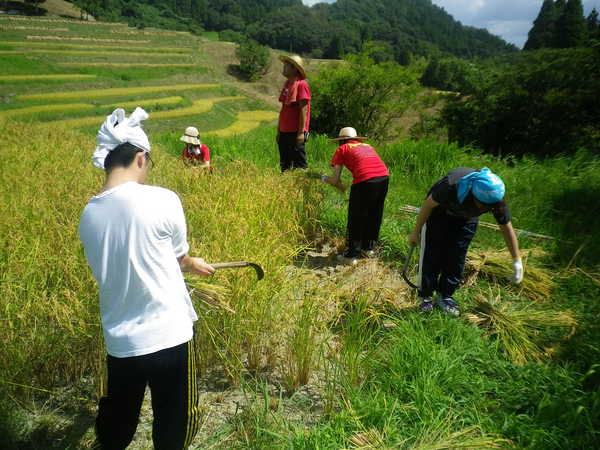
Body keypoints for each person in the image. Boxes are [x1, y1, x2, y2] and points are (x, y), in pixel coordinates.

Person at [79, 107, 215, 450]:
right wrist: (188, 262)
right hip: (169, 334)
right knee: (174, 421)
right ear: (141, 157)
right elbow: (175, 255)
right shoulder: (163, 198)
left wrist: (188, 264)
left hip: (121, 340)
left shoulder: (89, 214)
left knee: (118, 422)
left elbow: (129, 261)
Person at [408, 167, 524, 316]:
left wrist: (516, 260)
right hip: (439, 215)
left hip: (466, 220)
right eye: (483, 205)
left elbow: (507, 228)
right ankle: (426, 296)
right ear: (473, 194)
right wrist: (415, 232)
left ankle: (445, 296)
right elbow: (427, 206)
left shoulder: (494, 199)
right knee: (432, 254)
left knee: (457, 258)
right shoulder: (450, 187)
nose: (487, 209)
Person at [321, 127, 389, 264]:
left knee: (356, 217)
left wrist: (321, 177)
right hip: (383, 177)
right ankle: (367, 249)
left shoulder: (343, 149)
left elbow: (334, 180)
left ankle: (351, 256)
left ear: (342, 141)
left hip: (365, 181)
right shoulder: (367, 146)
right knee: (374, 214)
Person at [277, 54, 311, 172]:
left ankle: (303, 187)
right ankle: (287, 187)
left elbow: (304, 110)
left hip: (295, 132)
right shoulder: (287, 84)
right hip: (284, 131)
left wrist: (301, 133)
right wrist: (279, 130)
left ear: (294, 68)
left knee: (299, 165)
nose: (284, 66)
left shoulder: (301, 85)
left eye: (287, 65)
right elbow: (283, 110)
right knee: (285, 164)